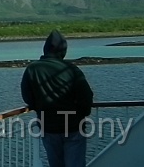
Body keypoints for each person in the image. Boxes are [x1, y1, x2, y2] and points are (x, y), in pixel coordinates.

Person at [21, 29, 93, 167]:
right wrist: (82, 114)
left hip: (48, 126)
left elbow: (27, 96)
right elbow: (86, 96)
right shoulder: (71, 69)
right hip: (73, 126)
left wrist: (39, 108)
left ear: (46, 49)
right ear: (63, 51)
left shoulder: (32, 69)